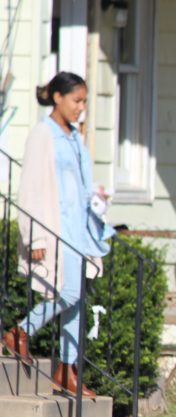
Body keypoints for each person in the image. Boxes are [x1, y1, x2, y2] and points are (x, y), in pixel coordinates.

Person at [2, 72, 114, 397]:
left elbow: (77, 183)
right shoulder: (43, 134)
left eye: (84, 102)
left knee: (76, 301)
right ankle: (21, 332)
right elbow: (31, 188)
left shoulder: (75, 138)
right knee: (68, 294)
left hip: (79, 230)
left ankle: (68, 368)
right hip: (55, 231)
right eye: (77, 101)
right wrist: (34, 237)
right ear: (57, 97)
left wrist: (96, 196)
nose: (81, 108)